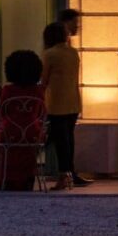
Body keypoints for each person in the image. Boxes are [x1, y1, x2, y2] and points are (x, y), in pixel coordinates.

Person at [0, 49, 47, 191]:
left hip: (10, 132)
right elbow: (40, 113)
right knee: (28, 148)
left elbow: (3, 114)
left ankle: (0, 179)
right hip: (33, 133)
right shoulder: (38, 91)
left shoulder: (8, 91)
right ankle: (26, 177)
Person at [40, 21, 82, 190]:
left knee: (60, 141)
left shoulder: (49, 54)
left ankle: (63, 175)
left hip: (56, 103)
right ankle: (69, 173)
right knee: (68, 139)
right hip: (73, 102)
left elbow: (44, 79)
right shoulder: (73, 53)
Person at [57, 8, 94, 185]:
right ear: (67, 22)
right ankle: (66, 174)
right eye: (75, 22)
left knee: (67, 138)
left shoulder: (68, 46)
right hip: (61, 101)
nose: (78, 26)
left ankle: (69, 173)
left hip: (69, 100)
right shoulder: (61, 47)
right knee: (63, 139)